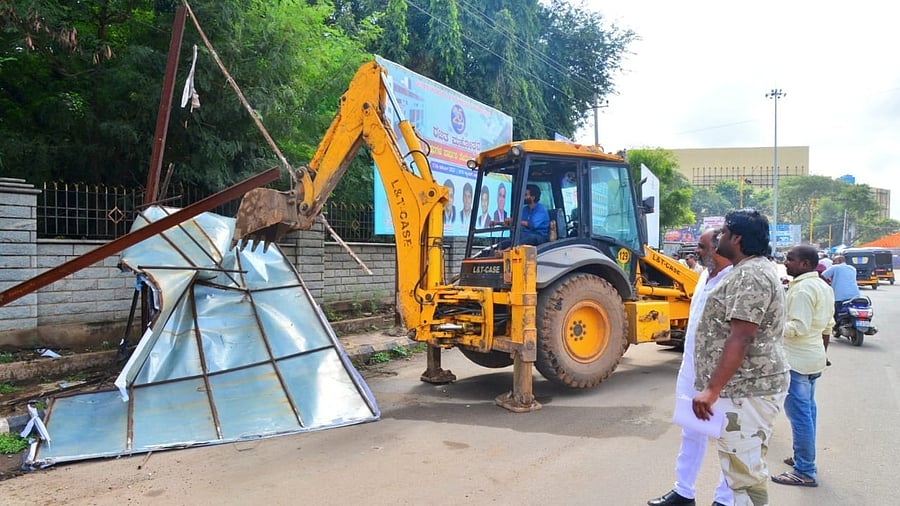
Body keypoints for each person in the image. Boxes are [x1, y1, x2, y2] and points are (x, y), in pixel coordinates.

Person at [692, 208, 790, 506]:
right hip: (742, 389)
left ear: (737, 238)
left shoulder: (752, 275)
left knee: (745, 472)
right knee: (740, 469)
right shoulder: (745, 271)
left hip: (747, 390)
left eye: (722, 232)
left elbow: (742, 336)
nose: (718, 237)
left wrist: (712, 389)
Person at [648, 228, 734, 506]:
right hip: (691, 368)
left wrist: (716, 383)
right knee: (690, 430)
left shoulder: (734, 280)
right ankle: (684, 492)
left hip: (720, 374)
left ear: (719, 248)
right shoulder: (702, 277)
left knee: (728, 437)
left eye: (701, 246)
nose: (695, 251)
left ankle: (725, 499)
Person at [771, 245, 834, 488]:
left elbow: (797, 328)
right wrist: (823, 354)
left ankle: (805, 470)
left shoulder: (802, 290)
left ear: (805, 264)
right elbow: (828, 325)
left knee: (800, 416)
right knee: (808, 412)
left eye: (791, 259)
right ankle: (802, 458)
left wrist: (768, 326)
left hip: (797, 361)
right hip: (812, 357)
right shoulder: (822, 286)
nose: (786, 262)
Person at [820, 255, 860, 327]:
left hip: (839, 296)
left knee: (834, 312)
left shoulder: (835, 267)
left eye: (834, 261)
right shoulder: (852, 268)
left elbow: (822, 276)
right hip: (855, 295)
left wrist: (827, 283)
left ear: (839, 261)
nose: (832, 263)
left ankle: (835, 326)